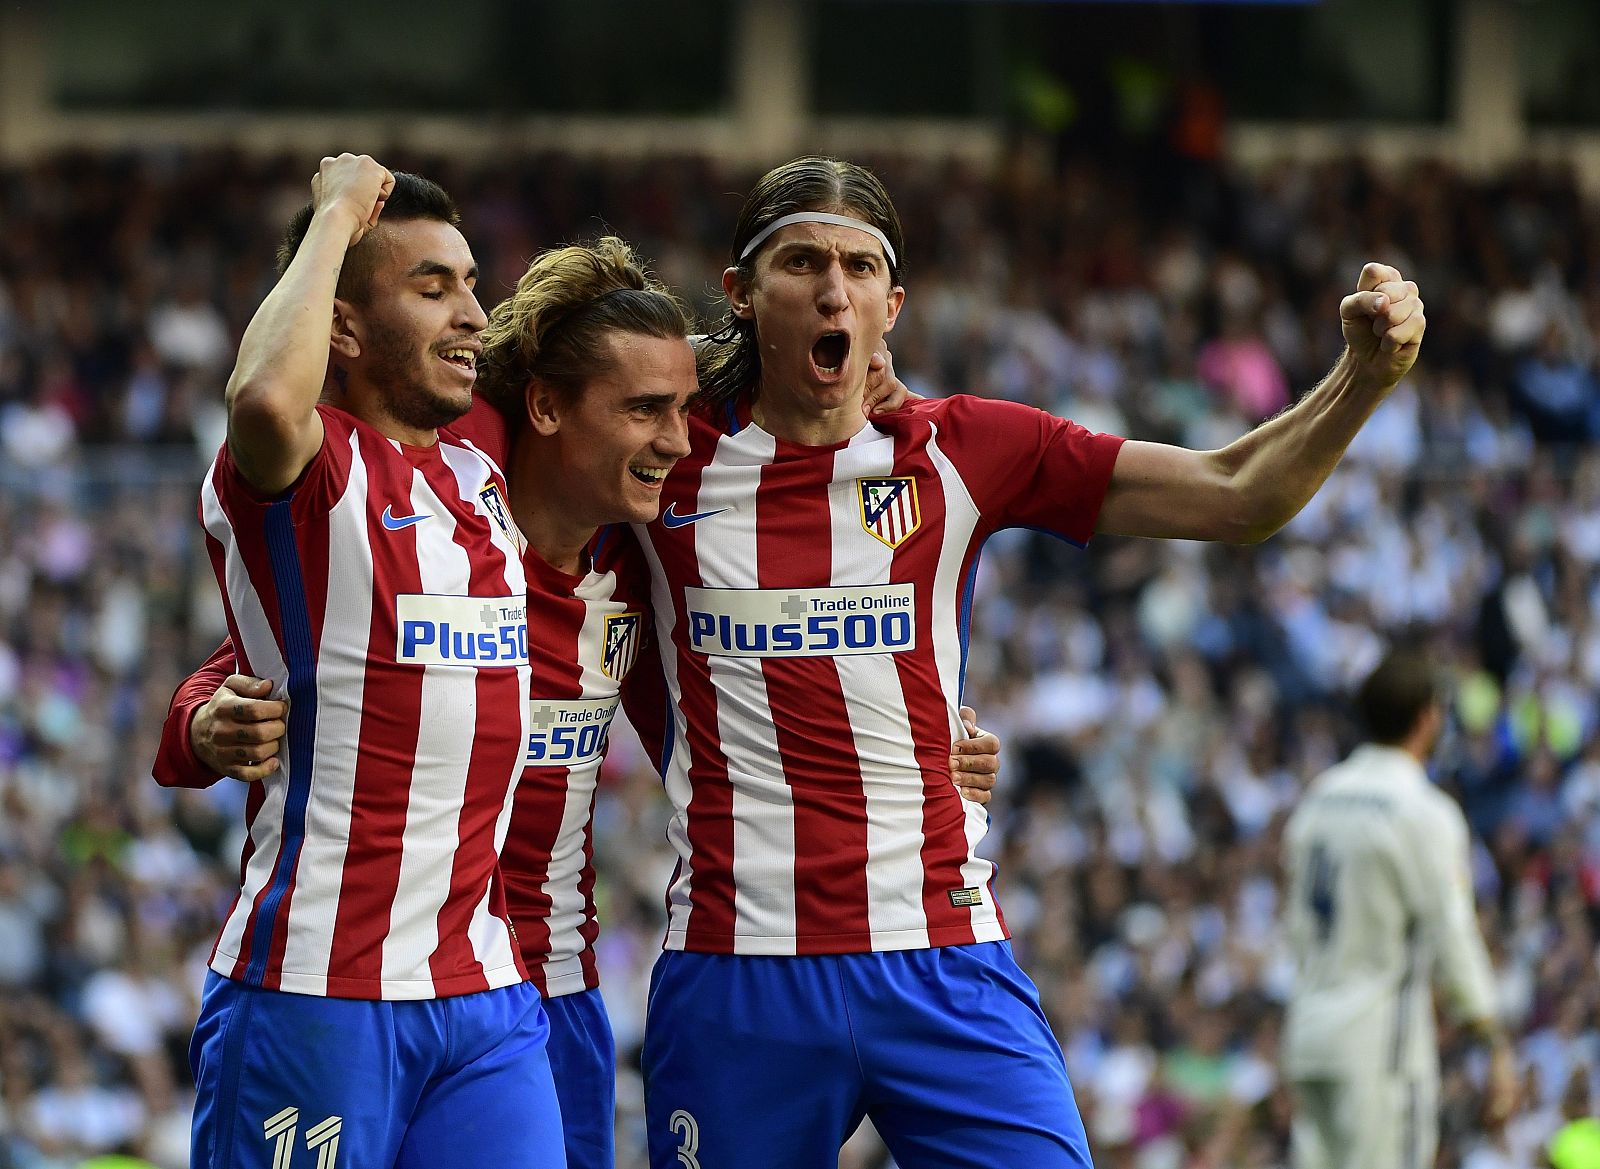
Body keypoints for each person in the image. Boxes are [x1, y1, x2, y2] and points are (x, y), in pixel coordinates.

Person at [630, 155, 1430, 1169]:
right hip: (737, 970)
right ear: (743, 294)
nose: (833, 289)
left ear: (893, 305)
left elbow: (1236, 494)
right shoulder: (660, 454)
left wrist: (1363, 378)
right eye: (800, 262)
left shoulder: (967, 449)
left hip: (942, 956)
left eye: (858, 267)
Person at [157, 235, 1004, 1169]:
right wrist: (199, 717)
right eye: (649, 412)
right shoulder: (453, 514)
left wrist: (935, 743)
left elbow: (761, 677)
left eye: (679, 413)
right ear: (547, 412)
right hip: (368, 973)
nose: (676, 440)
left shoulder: (638, 564)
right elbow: (277, 632)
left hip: (546, 994)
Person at [179, 154, 563, 1169]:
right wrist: (339, 212)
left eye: (472, 283)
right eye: (431, 288)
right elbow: (264, 398)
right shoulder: (315, 474)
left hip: (484, 994)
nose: (472, 313)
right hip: (317, 990)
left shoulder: (483, 477)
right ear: (343, 328)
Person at [1282, 649, 1517, 1169]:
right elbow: (1452, 932)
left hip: (1311, 1033)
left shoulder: (1317, 799)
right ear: (1428, 715)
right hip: (1377, 1047)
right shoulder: (1422, 811)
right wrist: (1493, 1038)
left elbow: (1295, 924)